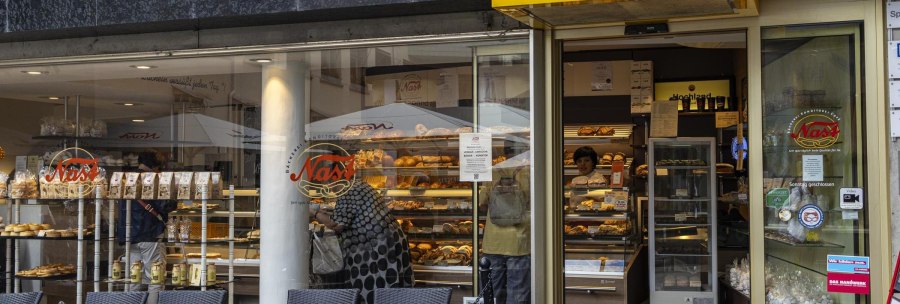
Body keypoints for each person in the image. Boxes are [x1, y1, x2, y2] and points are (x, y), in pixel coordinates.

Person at [313, 180, 414, 304]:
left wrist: (315, 213)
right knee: (390, 283)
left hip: (374, 243)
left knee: (371, 284)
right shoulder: (359, 184)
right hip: (389, 237)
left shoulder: (347, 192)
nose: (328, 187)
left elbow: (336, 225)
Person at [115, 152, 176, 300]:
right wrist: (174, 196)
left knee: (134, 278)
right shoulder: (153, 180)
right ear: (155, 166)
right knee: (155, 278)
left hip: (129, 236)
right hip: (149, 234)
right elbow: (165, 205)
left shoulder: (126, 180)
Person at [479, 146, 531, 304]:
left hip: (493, 242)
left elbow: (482, 203)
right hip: (519, 241)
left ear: (505, 152)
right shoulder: (529, 171)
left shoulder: (492, 172)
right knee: (518, 295)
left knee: (491, 295)